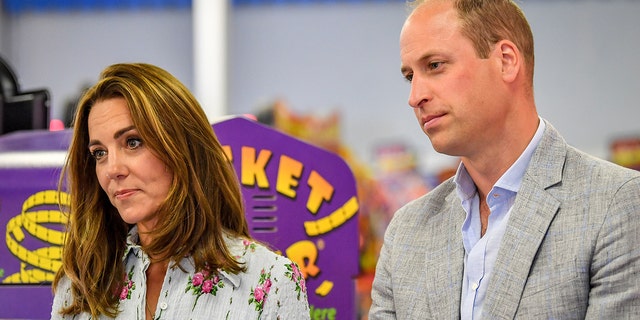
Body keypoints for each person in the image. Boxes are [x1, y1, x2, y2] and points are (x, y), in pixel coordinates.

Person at [369, 0, 640, 319]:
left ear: (506, 61)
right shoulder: (406, 230)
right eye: (409, 76)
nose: (415, 97)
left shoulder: (617, 205)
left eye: (435, 65)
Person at [51, 63, 310, 319]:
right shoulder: (80, 286)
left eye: (133, 142)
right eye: (99, 153)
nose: (112, 169)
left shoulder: (272, 281)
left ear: (183, 147)